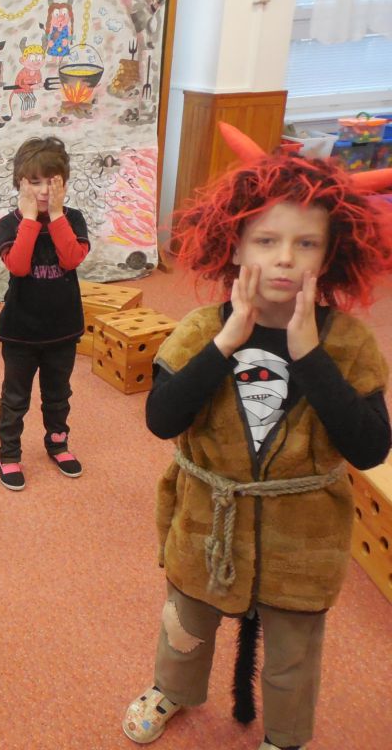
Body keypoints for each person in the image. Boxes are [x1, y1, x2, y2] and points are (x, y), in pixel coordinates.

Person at [122, 123, 392, 750]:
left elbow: (370, 447)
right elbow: (162, 419)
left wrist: (310, 355)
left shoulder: (349, 344)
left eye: (306, 243)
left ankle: (286, 734)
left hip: (303, 534)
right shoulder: (199, 329)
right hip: (204, 521)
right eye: (266, 240)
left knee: (294, 648)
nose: (285, 258)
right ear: (236, 245)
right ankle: (172, 688)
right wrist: (226, 341)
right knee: (186, 621)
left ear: (330, 255)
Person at [0, 136, 89, 490]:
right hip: (20, 333)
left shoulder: (73, 219)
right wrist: (31, 219)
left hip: (62, 331)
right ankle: (8, 454)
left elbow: (71, 259)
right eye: (35, 182)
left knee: (58, 395)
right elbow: (19, 266)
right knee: (15, 399)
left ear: (64, 182)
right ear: (20, 183)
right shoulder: (9, 224)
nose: (45, 190)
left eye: (53, 181)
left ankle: (58, 443)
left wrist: (58, 215)